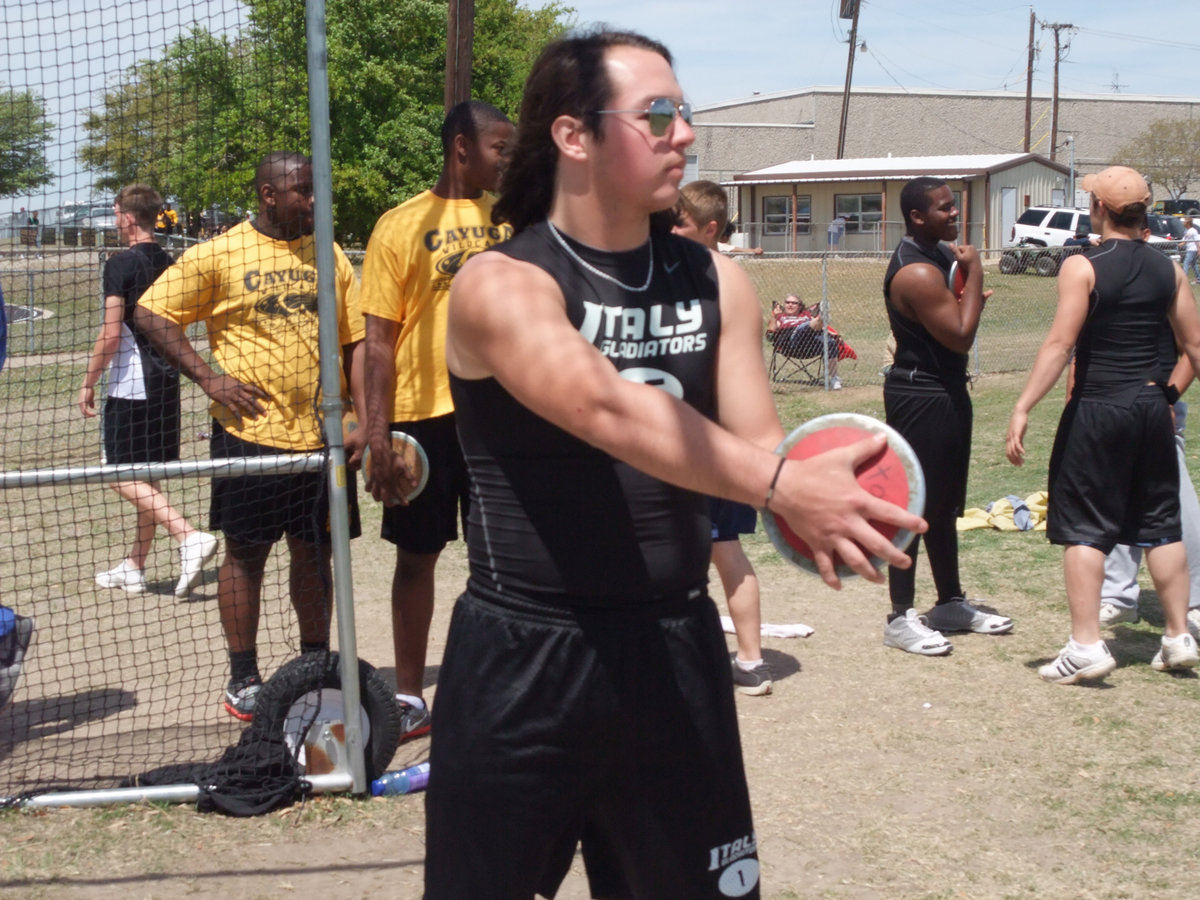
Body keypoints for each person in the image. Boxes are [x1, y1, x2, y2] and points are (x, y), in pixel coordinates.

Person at [426, 28, 925, 898]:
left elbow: (763, 438)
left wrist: (835, 486)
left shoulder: (716, 280)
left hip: (673, 646)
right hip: (523, 656)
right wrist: (779, 485)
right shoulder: (501, 284)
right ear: (574, 136)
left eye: (683, 113)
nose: (685, 134)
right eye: (657, 116)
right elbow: (605, 407)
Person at [134, 152, 366, 719]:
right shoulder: (219, 252)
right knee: (246, 556)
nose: (315, 202)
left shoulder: (330, 252)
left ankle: (315, 666)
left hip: (322, 438)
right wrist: (211, 379)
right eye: (304, 192)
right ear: (269, 194)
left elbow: (355, 340)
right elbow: (152, 314)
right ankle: (244, 679)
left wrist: (359, 414)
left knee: (315, 554)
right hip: (249, 439)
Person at [1007, 165, 1200, 684]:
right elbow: (1195, 350)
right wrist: (1166, 394)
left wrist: (1024, 406)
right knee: (1161, 525)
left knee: (1085, 529)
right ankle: (1178, 636)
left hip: (1098, 409)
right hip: (1149, 410)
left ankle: (1086, 645)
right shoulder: (1172, 270)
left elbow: (1059, 345)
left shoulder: (1082, 266)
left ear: (1099, 210)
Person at [359, 100, 514, 741]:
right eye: (499, 147)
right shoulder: (399, 226)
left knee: (499, 560)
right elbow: (375, 343)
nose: (509, 158)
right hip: (422, 421)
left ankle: (490, 687)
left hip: (500, 416)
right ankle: (407, 696)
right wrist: (375, 436)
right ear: (460, 149)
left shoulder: (517, 219)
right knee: (417, 559)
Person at [881, 177, 1013, 655]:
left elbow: (954, 318)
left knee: (943, 505)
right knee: (913, 504)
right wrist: (975, 276)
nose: (954, 214)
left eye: (954, 206)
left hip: (946, 390)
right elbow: (960, 336)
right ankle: (899, 617)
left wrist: (967, 293)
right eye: (944, 209)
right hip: (921, 395)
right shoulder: (915, 271)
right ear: (917, 216)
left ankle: (949, 604)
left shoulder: (937, 257)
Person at [79, 184, 218, 598]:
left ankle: (188, 536)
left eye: (116, 212)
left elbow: (110, 334)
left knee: (117, 472)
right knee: (147, 477)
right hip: (168, 382)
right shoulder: (171, 263)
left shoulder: (120, 264)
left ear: (126, 216)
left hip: (131, 384)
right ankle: (134, 566)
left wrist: (87, 381)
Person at [674, 179, 770, 694]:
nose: (670, 230)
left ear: (710, 229)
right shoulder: (670, 272)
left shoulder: (722, 281)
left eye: (681, 223)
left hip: (715, 445)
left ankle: (751, 661)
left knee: (722, 548)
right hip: (682, 440)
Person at [767, 293, 847, 389]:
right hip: (792, 344)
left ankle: (834, 379)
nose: (790, 305)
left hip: (811, 345)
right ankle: (821, 317)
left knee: (830, 342)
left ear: (800, 306)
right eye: (787, 302)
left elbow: (824, 330)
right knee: (803, 327)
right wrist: (774, 316)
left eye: (794, 303)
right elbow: (770, 333)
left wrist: (836, 336)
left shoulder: (806, 315)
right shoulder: (780, 317)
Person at [1182, 216, 1200, 284]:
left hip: (1193, 249)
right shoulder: (1186, 231)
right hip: (1189, 248)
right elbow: (1184, 239)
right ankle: (1199, 279)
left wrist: (1199, 249)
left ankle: (1184, 279)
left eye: (1184, 222)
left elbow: (1197, 241)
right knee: (1194, 264)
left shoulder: (1193, 231)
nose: (1183, 223)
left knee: (1186, 263)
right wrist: (1181, 243)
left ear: (1188, 223)